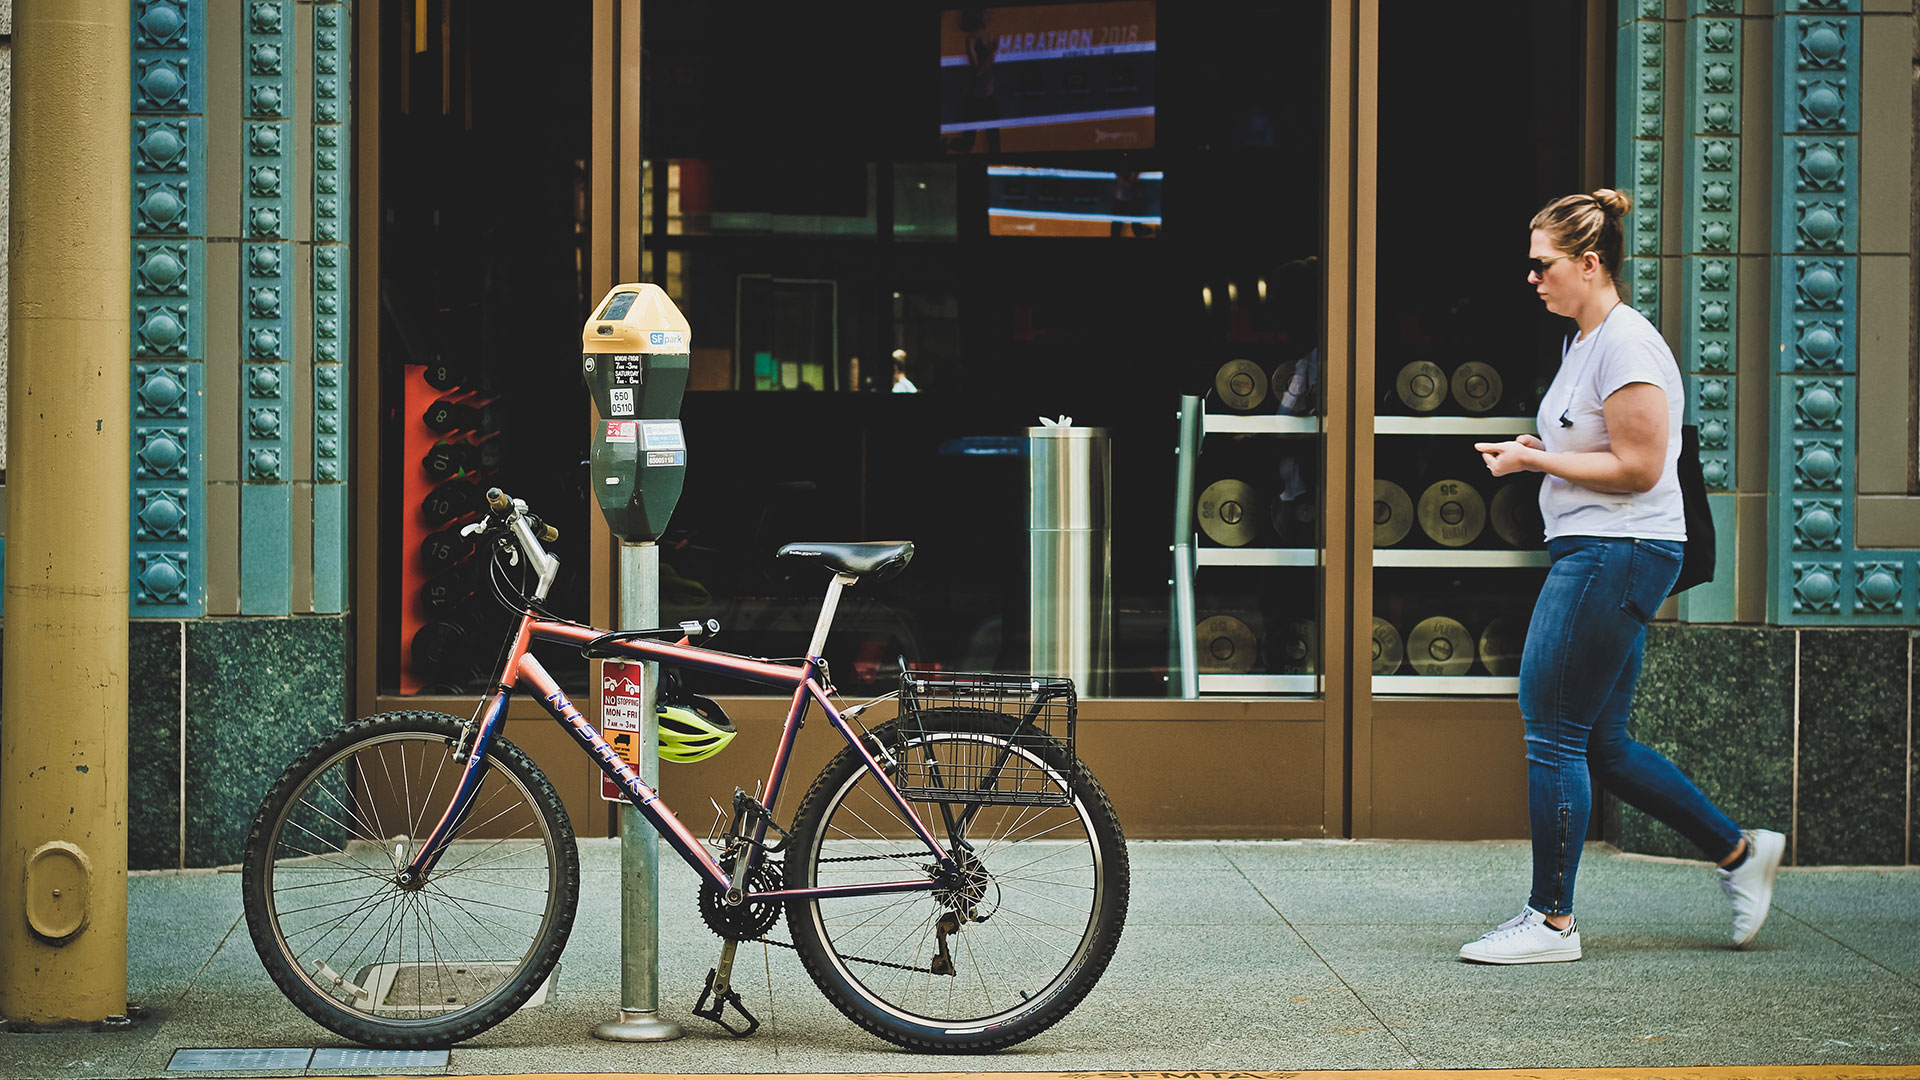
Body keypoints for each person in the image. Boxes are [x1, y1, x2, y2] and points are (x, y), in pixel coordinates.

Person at [1463, 189, 1784, 964]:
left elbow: (1642, 468)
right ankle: (1742, 854)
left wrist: (1536, 457)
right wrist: (1536, 452)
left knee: (1551, 729)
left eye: (1543, 265)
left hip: (1617, 550)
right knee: (1601, 744)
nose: (1533, 278)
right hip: (1601, 549)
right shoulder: (1586, 342)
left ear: (1589, 263)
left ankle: (1551, 923)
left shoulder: (1627, 345)